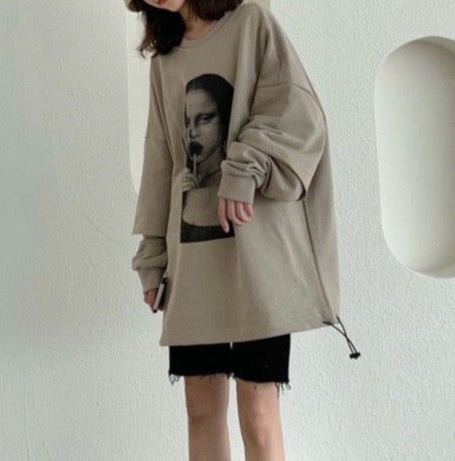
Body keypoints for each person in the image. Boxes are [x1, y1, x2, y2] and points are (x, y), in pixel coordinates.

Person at [125, 1, 361, 460]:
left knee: (258, 412)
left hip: (257, 261)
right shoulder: (165, 59)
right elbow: (161, 158)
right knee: (200, 409)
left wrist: (242, 170)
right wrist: (152, 254)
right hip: (194, 265)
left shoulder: (251, 24)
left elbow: (297, 113)